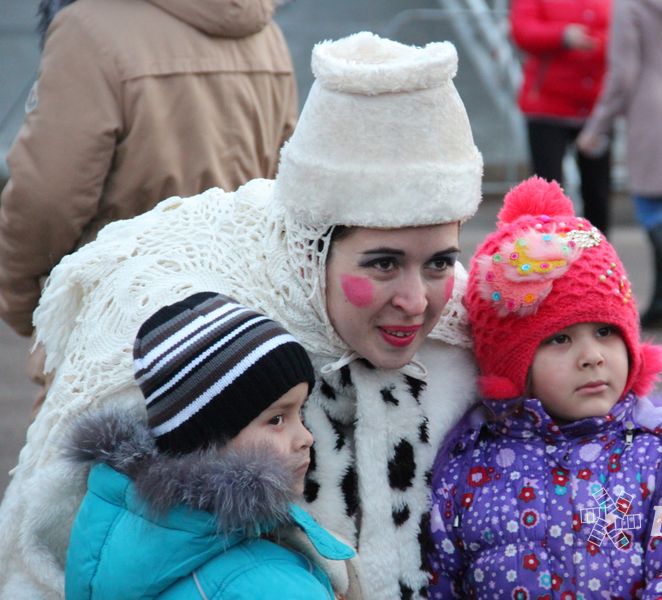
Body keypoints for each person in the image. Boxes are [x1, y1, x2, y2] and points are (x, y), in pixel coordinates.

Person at [0, 32, 482, 599]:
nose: (417, 301)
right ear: (314, 253)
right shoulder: (197, 345)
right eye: (382, 264)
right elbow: (59, 564)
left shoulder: (465, 341)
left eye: (440, 263)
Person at [427, 177, 662, 597]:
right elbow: (438, 582)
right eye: (559, 339)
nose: (592, 356)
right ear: (508, 363)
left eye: (605, 331)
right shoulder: (467, 470)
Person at [0, 0, 298, 410]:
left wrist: (28, 307)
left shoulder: (89, 30)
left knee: (97, 468)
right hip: (236, 338)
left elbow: (44, 198)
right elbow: (283, 188)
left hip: (116, 339)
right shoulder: (264, 34)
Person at [64, 292, 354, 599]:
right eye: (277, 419)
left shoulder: (116, 528)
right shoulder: (273, 586)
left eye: (300, 412)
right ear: (205, 439)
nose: (306, 438)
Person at [577, 0, 662, 337]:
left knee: (651, 209)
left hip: (650, 107)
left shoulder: (629, 6)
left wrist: (596, 128)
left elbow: (622, 74)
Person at [509, 0, 615, 234]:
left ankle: (595, 255)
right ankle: (547, 254)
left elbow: (623, 34)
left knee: (597, 191)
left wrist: (595, 42)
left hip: (595, 108)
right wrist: (563, 35)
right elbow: (522, 30)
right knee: (548, 190)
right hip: (547, 106)